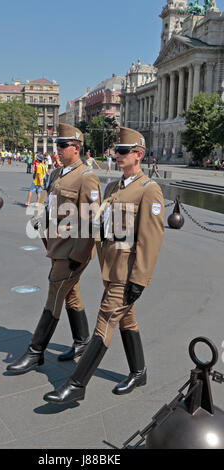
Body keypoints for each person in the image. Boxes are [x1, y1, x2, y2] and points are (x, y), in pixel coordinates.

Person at [43, 127, 164, 404]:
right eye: (116, 151)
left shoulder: (149, 191)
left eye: (123, 151)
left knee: (105, 321)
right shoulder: (112, 188)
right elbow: (97, 226)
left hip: (126, 274)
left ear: (139, 155)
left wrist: (139, 280)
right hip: (109, 269)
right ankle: (139, 371)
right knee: (127, 319)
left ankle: (76, 384)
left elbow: (150, 239)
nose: (116, 155)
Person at [7, 123, 101, 374]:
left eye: (62, 145)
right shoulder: (57, 174)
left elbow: (91, 222)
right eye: (56, 145)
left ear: (77, 147)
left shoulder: (87, 177)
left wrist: (77, 257)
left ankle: (35, 351)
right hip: (56, 246)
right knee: (71, 294)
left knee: (54, 295)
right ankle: (81, 341)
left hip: (72, 252)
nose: (57, 150)